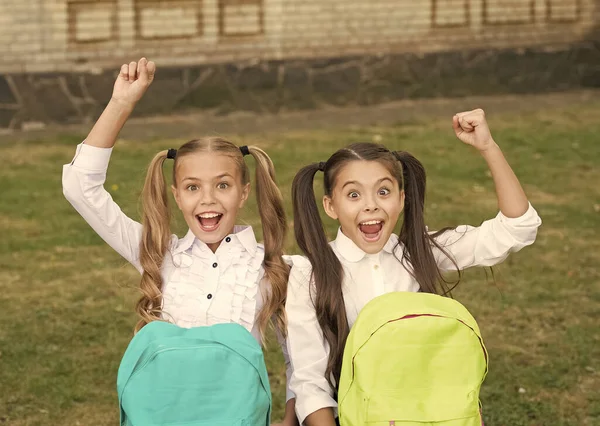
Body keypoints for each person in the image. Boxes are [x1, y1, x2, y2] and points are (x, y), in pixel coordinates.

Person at [62, 58, 298, 425]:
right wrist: (121, 104)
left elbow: (297, 355)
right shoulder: (159, 254)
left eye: (222, 185)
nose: (207, 199)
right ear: (176, 194)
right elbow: (80, 187)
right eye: (192, 187)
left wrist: (290, 416)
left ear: (244, 192)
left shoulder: (272, 268)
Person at [286, 109, 542, 425]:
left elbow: (517, 229)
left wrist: (488, 147)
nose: (371, 204)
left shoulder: (420, 251)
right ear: (330, 206)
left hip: (430, 415)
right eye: (353, 194)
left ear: (402, 198)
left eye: (383, 191)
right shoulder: (308, 274)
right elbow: (310, 380)